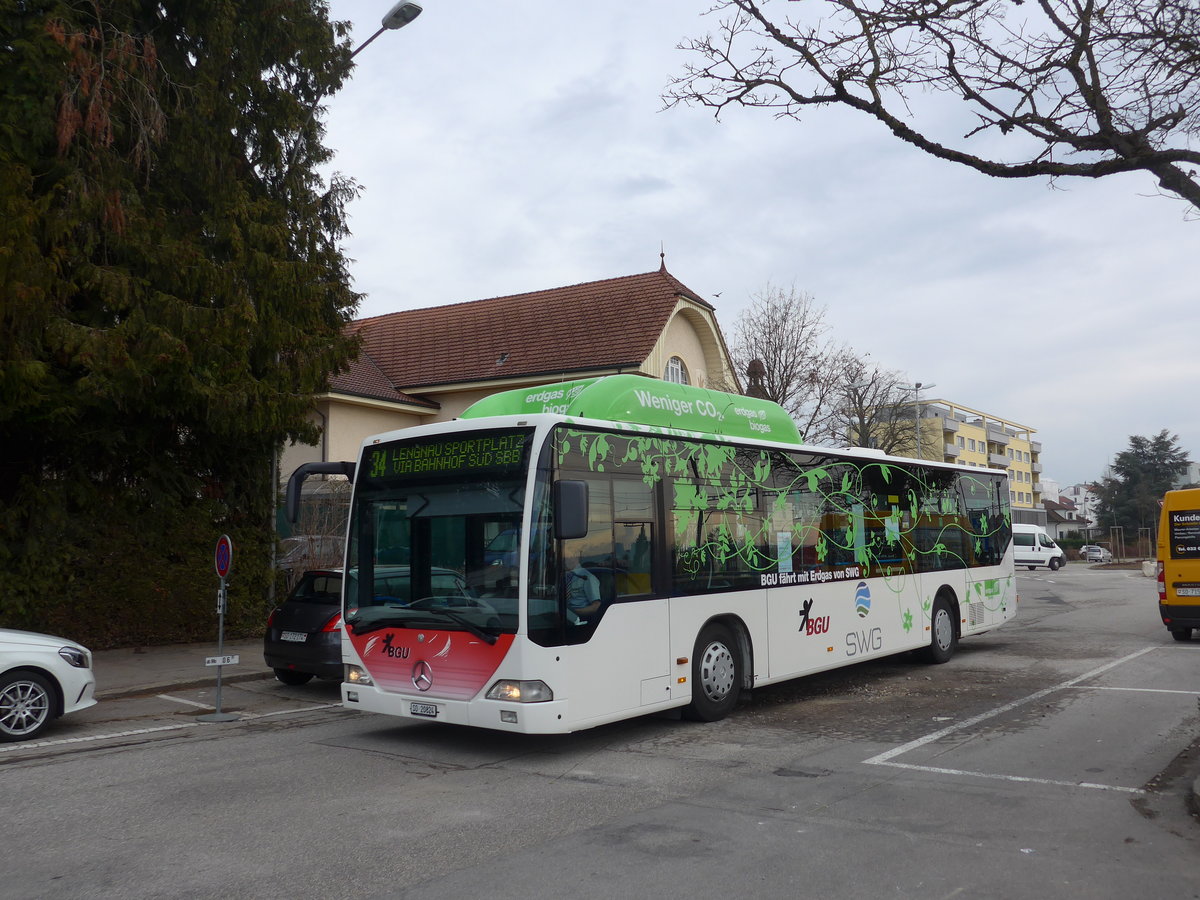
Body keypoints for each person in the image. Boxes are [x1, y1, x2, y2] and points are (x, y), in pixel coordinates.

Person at [564, 553, 601, 619]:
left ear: (575, 557)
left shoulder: (588, 577)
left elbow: (596, 606)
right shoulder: (564, 577)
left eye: (566, 557)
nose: (563, 560)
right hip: (563, 617)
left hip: (580, 618)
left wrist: (573, 613)